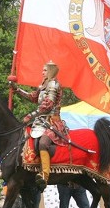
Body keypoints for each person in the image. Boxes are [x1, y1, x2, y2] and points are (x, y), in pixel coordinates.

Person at [10, 61, 68, 191]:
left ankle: (45, 175)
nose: (42, 72)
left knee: (43, 143)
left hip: (52, 121)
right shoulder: (44, 85)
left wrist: (30, 115)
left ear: (51, 71)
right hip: (41, 120)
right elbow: (33, 97)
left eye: (45, 70)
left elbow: (47, 105)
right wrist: (17, 89)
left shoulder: (53, 84)